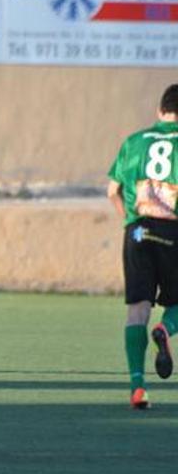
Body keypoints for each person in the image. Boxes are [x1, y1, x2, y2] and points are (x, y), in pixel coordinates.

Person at [107, 83, 178, 410]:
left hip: (137, 231)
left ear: (160, 111)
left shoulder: (134, 141)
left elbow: (112, 191)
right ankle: (165, 329)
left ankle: (137, 387)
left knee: (137, 309)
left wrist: (130, 223)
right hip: (173, 231)